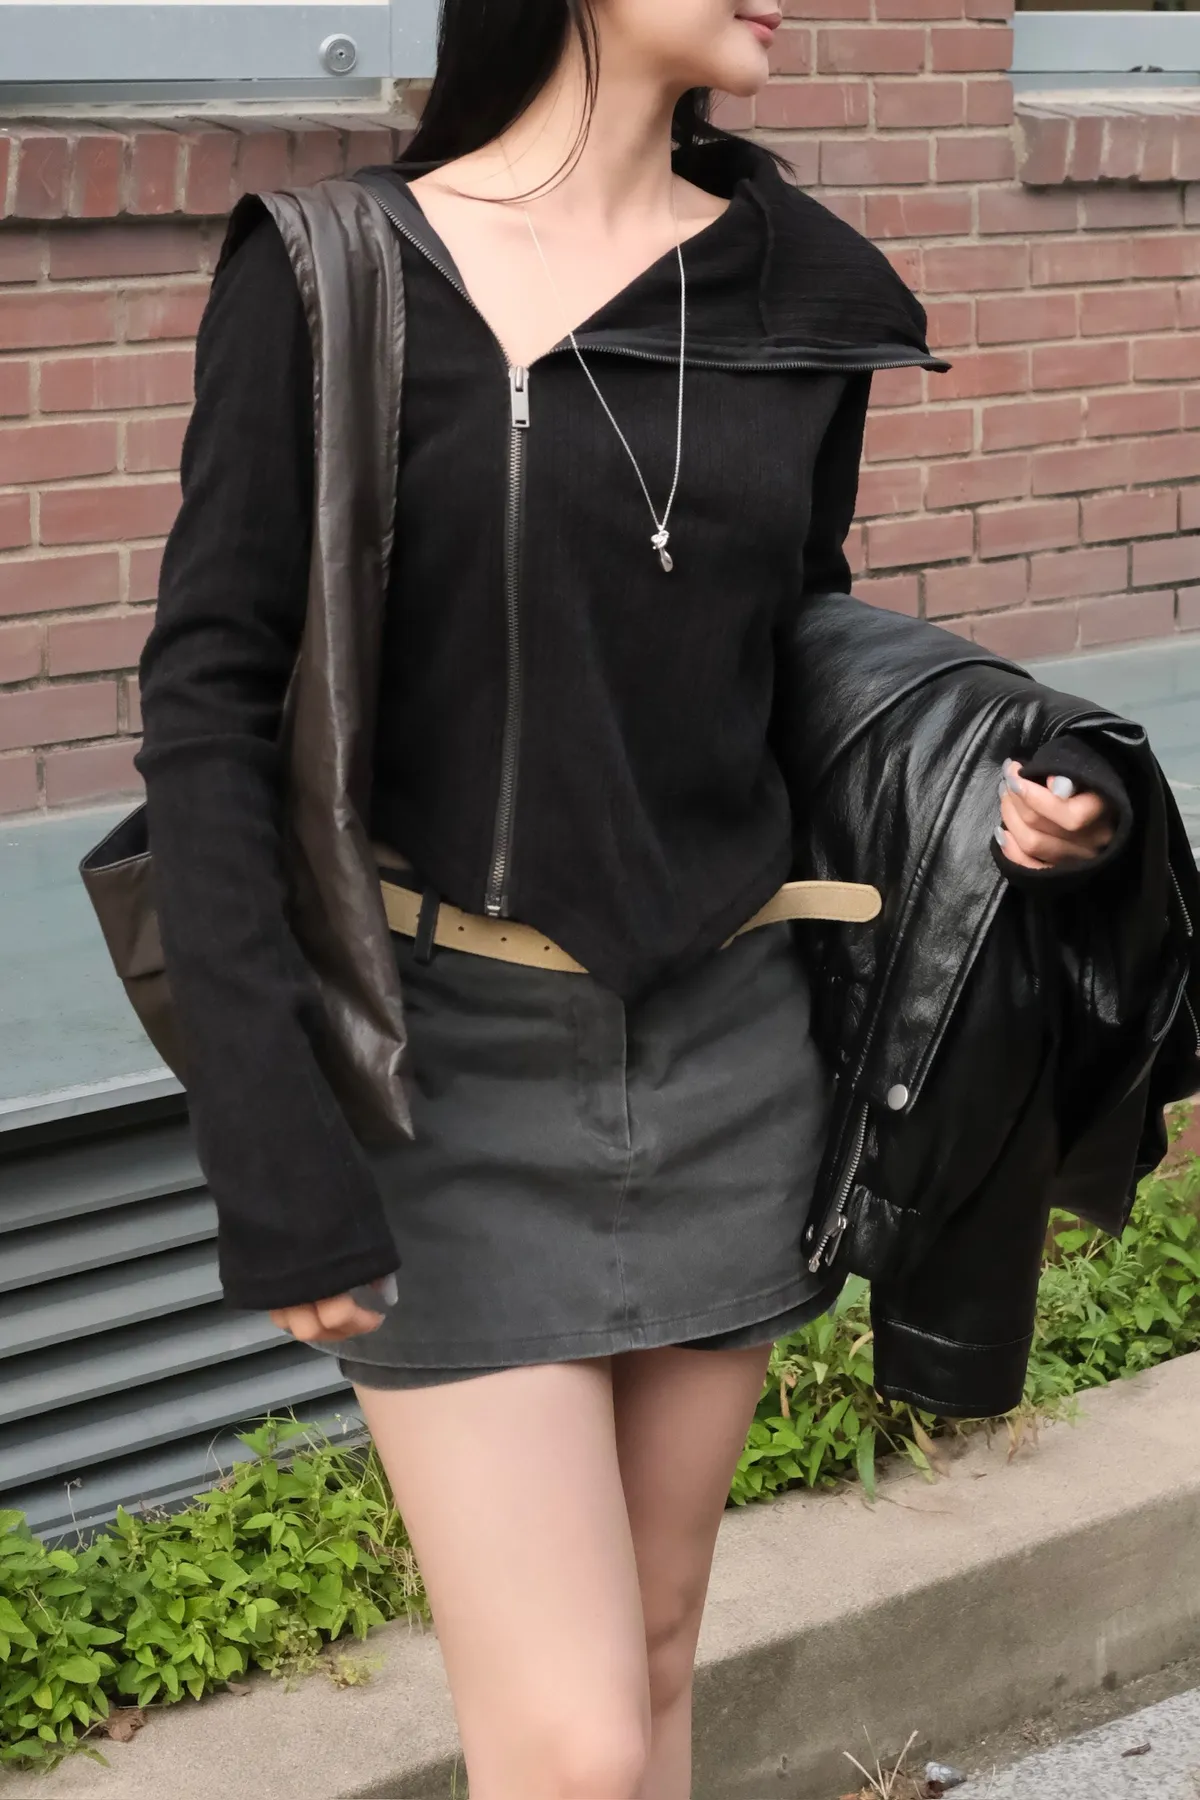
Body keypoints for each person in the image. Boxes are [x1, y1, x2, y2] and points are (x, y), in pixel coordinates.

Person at [136, 3, 1121, 1795]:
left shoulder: (795, 286)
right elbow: (209, 703)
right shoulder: (334, 272)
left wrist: (1014, 774)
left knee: (658, 1657)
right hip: (442, 1072)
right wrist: (265, 1127)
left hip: (730, 1048)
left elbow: (791, 646)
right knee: (576, 1746)